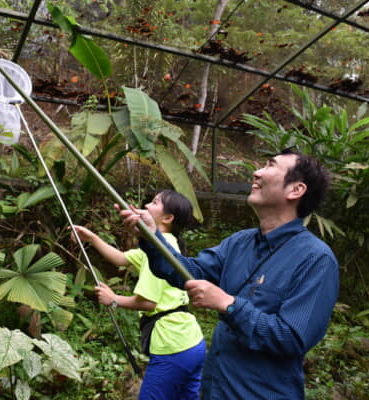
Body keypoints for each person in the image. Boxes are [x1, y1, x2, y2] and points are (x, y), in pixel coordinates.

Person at [118, 148, 339, 399]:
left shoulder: (315, 259)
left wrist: (229, 304)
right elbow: (190, 273)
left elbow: (292, 339)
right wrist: (152, 237)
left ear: (296, 190)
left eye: (270, 166)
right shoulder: (240, 243)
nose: (256, 172)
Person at [71, 190, 205, 400]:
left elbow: (148, 303)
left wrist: (114, 300)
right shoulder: (162, 244)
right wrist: (92, 238)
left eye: (154, 203)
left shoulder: (161, 251)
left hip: (172, 344)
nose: (147, 205)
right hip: (191, 342)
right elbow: (121, 259)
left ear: (168, 218)